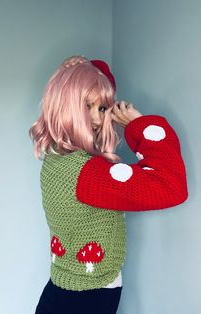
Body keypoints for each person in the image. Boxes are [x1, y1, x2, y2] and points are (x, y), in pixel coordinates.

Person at [29, 55, 188, 314]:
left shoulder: (57, 154)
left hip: (62, 290)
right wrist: (141, 127)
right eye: (85, 106)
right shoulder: (89, 174)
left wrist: (80, 72)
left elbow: (93, 88)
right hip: (87, 299)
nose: (95, 119)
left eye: (102, 108)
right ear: (65, 104)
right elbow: (171, 186)